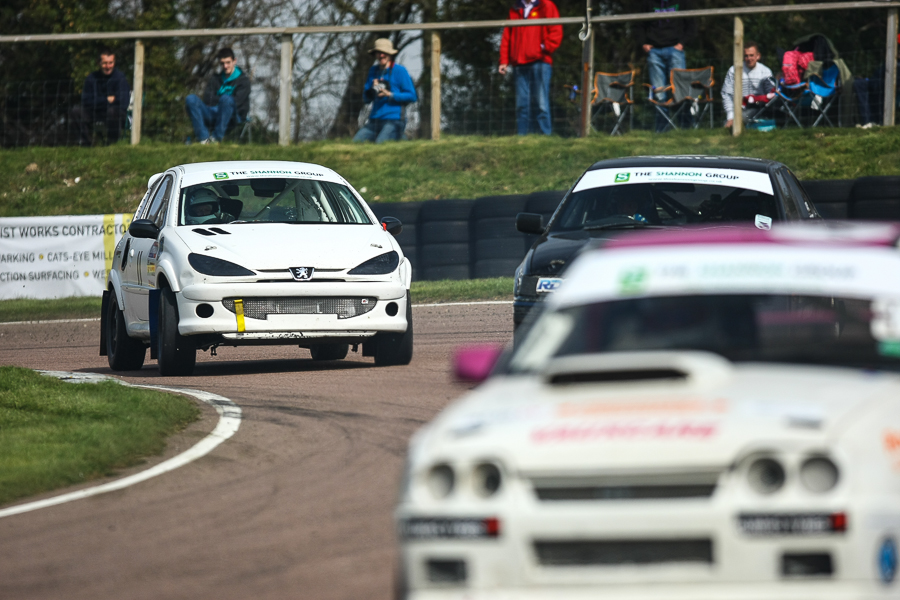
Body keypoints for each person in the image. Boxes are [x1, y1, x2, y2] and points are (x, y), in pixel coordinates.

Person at [498, 0, 563, 136]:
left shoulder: (546, 5)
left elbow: (556, 30)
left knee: (541, 103)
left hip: (540, 61)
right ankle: (522, 136)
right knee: (522, 104)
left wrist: (543, 47)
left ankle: (545, 136)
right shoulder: (515, 8)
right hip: (519, 63)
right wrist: (504, 61)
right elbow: (507, 36)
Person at [636, 0, 697, 132]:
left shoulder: (683, 2)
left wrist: (681, 44)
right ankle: (662, 129)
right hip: (654, 51)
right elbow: (639, 24)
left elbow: (691, 24)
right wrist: (643, 43)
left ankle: (686, 127)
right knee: (659, 92)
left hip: (676, 50)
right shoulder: (647, 3)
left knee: (680, 90)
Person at [353, 38, 418, 144]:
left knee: (380, 144)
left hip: (394, 120)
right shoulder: (373, 71)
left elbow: (412, 96)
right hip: (374, 120)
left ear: (390, 54)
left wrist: (389, 94)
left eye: (384, 53)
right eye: (378, 52)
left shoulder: (400, 71)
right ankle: (401, 139)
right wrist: (373, 90)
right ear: (375, 54)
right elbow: (366, 99)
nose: (381, 55)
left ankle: (401, 136)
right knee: (356, 143)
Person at [185, 48, 251, 144]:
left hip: (233, 117)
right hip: (212, 113)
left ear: (234, 61)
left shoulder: (243, 81)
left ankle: (216, 139)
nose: (225, 66)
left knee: (226, 99)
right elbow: (207, 99)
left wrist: (222, 101)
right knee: (191, 99)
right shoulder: (215, 79)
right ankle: (204, 139)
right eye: (222, 63)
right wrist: (221, 102)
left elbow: (238, 102)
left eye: (228, 62)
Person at [72, 47, 130, 146]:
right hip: (95, 113)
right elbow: (85, 101)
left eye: (110, 63)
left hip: (115, 115)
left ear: (114, 62)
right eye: (105, 63)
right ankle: (85, 144)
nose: (108, 66)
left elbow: (123, 103)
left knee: (112, 111)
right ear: (98, 63)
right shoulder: (91, 78)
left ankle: (113, 144)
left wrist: (97, 102)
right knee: (76, 111)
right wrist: (107, 100)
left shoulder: (120, 78)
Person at [722, 42, 775, 128]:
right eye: (746, 56)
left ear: (758, 56)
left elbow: (771, 94)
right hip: (738, 108)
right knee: (729, 123)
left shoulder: (765, 72)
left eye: (751, 55)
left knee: (740, 119)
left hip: (758, 108)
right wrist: (730, 115)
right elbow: (727, 94)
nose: (749, 58)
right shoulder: (733, 70)